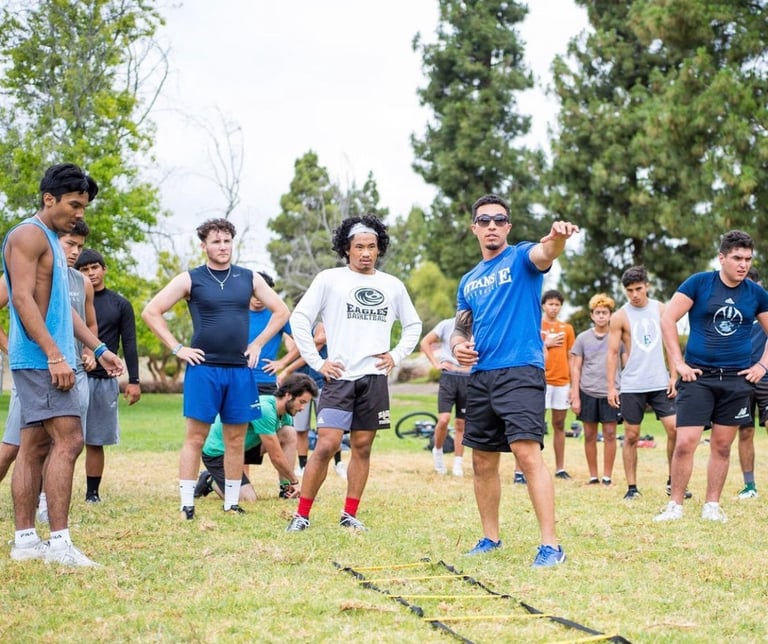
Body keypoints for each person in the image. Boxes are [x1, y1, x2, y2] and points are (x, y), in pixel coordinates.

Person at [3, 163, 123, 566]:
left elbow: (62, 310)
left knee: (34, 447)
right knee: (70, 441)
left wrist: (99, 346)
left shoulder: (52, 241)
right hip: (42, 359)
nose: (79, 214)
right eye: (74, 205)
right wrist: (55, 354)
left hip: (51, 355)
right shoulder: (27, 236)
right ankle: (59, 544)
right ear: (48, 198)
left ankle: (24, 541)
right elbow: (20, 300)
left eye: (84, 207)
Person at [451, 193, 577, 567]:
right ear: (474, 227)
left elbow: (546, 252)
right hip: (481, 375)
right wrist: (458, 347)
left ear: (508, 226)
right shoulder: (469, 280)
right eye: (485, 220)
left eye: (499, 220)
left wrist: (558, 237)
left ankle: (551, 545)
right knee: (483, 460)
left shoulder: (520, 257)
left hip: (521, 369)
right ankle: (491, 538)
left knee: (526, 453)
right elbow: (461, 328)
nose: (492, 226)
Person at [142, 218, 290, 519]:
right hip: (204, 369)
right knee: (195, 437)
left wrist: (259, 343)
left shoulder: (249, 278)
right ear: (204, 245)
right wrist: (177, 348)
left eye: (227, 241)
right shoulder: (190, 279)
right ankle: (187, 504)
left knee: (235, 439)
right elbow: (151, 311)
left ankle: (231, 503)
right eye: (216, 241)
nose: (223, 247)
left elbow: (282, 311)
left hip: (240, 370)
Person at [285, 214, 421, 532]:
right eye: (359, 246)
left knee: (362, 446)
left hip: (373, 378)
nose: (365, 253)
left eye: (371, 247)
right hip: (339, 377)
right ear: (347, 249)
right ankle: (301, 515)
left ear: (379, 249)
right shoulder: (329, 279)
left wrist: (397, 355)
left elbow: (413, 324)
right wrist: (318, 363)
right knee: (327, 444)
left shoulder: (392, 285)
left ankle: (349, 514)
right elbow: (299, 319)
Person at [655, 230, 768, 523]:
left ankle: (712, 505)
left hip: (736, 379)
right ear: (722, 258)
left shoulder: (756, 294)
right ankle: (675, 505)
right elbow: (668, 318)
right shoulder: (699, 283)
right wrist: (678, 363)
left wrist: (762, 366)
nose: (743, 265)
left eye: (747, 259)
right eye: (736, 258)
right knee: (685, 443)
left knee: (721, 445)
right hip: (698, 377)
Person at [0, 220, 97, 521]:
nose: (75, 252)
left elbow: (75, 320)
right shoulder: (31, 256)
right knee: (14, 447)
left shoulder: (76, 281)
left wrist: (97, 350)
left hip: (68, 368)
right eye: (70, 244)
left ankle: (36, 520)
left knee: (47, 444)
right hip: (37, 366)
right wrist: (12, 348)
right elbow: (19, 299)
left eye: (79, 247)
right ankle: (52, 536)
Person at [606, 266, 682, 501]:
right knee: (631, 435)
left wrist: (674, 375)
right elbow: (611, 353)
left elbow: (671, 344)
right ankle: (632, 487)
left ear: (647, 285)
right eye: (629, 290)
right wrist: (611, 386)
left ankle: (674, 481)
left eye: (638, 289)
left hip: (660, 382)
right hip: (632, 385)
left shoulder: (661, 309)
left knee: (676, 430)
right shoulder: (619, 316)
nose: (635, 294)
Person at [74, 247, 141, 503]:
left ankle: (92, 493)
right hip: (73, 374)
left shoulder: (120, 304)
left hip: (104, 379)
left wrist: (134, 381)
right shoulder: (72, 300)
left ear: (104, 269)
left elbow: (130, 343)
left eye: (94, 268)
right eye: (84, 269)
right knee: (62, 440)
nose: (91, 273)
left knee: (95, 439)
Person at [195, 374, 318, 502]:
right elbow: (276, 456)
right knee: (248, 499)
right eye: (302, 402)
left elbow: (282, 445)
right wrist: (295, 481)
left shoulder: (285, 413)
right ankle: (210, 479)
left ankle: (286, 489)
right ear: (288, 395)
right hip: (218, 453)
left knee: (289, 432)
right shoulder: (265, 409)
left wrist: (290, 482)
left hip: (242, 448)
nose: (303, 408)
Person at [278, 322, 347, 479]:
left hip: (323, 382)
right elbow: (294, 350)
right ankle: (302, 465)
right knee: (301, 429)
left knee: (330, 427)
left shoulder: (320, 324)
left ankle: (338, 463)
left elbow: (316, 346)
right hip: (300, 385)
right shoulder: (292, 329)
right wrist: (307, 343)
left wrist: (302, 345)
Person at [569, 293, 621, 485]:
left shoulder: (618, 337)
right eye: (597, 312)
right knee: (589, 434)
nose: (601, 316)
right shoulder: (583, 338)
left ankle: (607, 476)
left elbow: (625, 362)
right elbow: (576, 367)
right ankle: (593, 475)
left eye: (604, 312)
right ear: (592, 315)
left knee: (609, 434)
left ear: (610, 315)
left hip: (611, 392)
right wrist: (575, 395)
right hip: (587, 391)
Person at [420, 317, 469, 476]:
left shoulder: (482, 324)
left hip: (468, 379)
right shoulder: (447, 324)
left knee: (461, 424)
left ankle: (458, 463)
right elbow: (425, 342)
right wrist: (435, 364)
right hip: (448, 377)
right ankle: (438, 453)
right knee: (444, 419)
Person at [736, 267, 768, 499]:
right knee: (745, 432)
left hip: (766, 377)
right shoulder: (736, 312)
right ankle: (749, 486)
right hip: (741, 380)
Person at [541, 289, 575, 480]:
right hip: (541, 381)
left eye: (557, 304)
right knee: (535, 424)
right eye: (550, 304)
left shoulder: (567, 328)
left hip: (562, 382)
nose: (553, 307)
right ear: (544, 305)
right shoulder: (536, 324)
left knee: (559, 424)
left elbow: (571, 356)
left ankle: (560, 468)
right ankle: (523, 470)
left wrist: (572, 384)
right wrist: (546, 342)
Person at [248, 271, 294, 396]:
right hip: (238, 379)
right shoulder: (237, 314)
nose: (258, 297)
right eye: (254, 293)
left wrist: (283, 362)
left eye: (262, 293)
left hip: (265, 381)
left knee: (267, 416)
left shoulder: (279, 315)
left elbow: (303, 343)